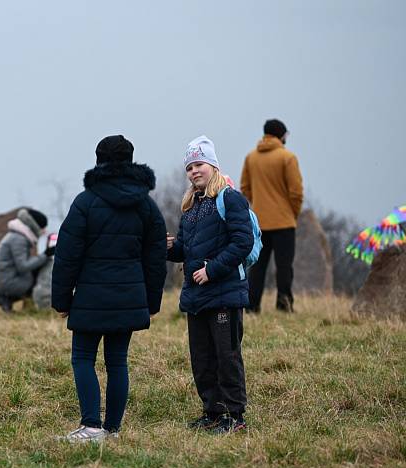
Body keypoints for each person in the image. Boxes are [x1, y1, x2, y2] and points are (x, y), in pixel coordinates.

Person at [52, 134, 167, 442]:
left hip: (90, 297)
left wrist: (62, 299)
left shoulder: (85, 203)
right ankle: (112, 430)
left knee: (83, 358)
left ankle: (91, 427)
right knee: (118, 361)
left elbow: (66, 255)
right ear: (131, 161)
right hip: (129, 297)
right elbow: (156, 258)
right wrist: (151, 302)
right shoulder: (146, 207)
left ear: (98, 161)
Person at [167, 136, 253, 434]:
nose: (194, 171)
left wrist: (212, 270)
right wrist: (170, 248)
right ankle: (212, 412)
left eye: (199, 164)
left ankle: (235, 416)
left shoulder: (230, 198)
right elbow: (187, 250)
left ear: (213, 165)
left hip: (224, 293)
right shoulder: (191, 206)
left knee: (226, 357)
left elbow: (243, 241)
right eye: (189, 167)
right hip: (197, 295)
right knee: (202, 359)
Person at [240, 119, 304, 313]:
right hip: (284, 222)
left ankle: (252, 306)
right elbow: (296, 192)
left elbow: (244, 187)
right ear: (282, 135)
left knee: (257, 266)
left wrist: (257, 203)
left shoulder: (251, 158)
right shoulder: (288, 157)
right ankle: (284, 305)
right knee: (284, 267)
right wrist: (293, 212)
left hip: (259, 221)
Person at [0, 208, 50, 312]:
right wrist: (45, 255)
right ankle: (8, 298)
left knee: (37, 270)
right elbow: (23, 266)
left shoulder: (16, 236)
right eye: (42, 228)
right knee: (40, 280)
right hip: (8, 282)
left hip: (5, 279)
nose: (44, 231)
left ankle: (7, 299)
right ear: (35, 226)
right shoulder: (19, 239)